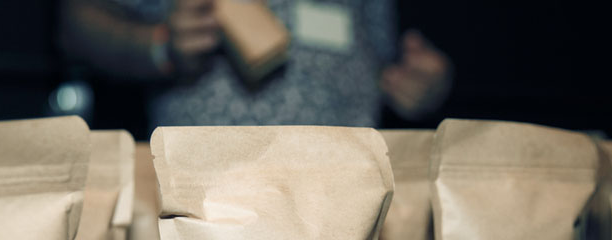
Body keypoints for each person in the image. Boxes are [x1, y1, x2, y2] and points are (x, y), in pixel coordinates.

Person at [57, 0, 453, 128]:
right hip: (214, 186)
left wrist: (417, 83)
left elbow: (380, 56)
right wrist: (160, 46)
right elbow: (77, 22)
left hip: (347, 182)